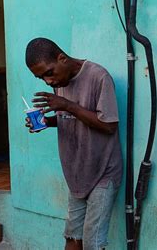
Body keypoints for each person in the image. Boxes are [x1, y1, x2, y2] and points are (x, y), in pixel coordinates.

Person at [24, 38, 123, 250]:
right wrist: (46, 122)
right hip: (77, 174)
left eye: (49, 73)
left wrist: (67, 105)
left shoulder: (98, 76)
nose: (48, 82)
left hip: (103, 173)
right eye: (41, 77)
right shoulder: (61, 82)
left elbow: (109, 126)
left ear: (62, 58)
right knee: (72, 236)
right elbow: (69, 119)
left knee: (92, 243)